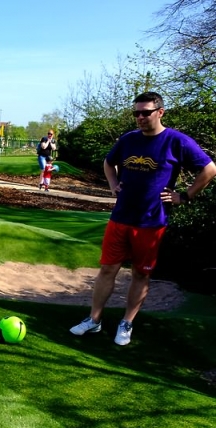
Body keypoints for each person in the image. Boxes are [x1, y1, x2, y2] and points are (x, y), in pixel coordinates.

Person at [70, 91, 216, 345]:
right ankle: (94, 320)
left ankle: (127, 323)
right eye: (136, 113)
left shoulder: (176, 141)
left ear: (160, 112)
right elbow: (108, 163)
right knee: (107, 269)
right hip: (120, 217)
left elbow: (209, 168)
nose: (140, 117)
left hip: (151, 222)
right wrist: (113, 184)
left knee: (140, 274)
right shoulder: (128, 140)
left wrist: (185, 195)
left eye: (145, 112)